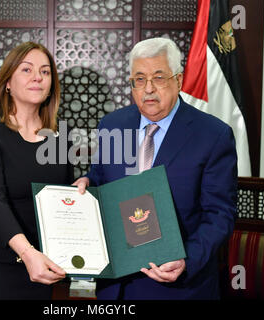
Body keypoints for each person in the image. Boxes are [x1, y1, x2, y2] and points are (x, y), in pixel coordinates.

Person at [73, 38, 237, 299]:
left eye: (159, 78)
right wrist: (86, 184)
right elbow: (100, 178)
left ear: (179, 80)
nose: (148, 89)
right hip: (117, 287)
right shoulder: (112, 125)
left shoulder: (213, 135)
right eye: (139, 79)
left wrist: (188, 260)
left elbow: (220, 215)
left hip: (177, 285)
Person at [0, 42, 73, 299]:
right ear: (7, 82)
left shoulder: (59, 137)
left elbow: (62, 199)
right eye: (27, 70)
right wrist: (27, 253)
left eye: (45, 72)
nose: (37, 78)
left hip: (39, 264)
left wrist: (83, 185)